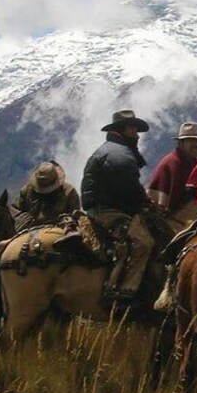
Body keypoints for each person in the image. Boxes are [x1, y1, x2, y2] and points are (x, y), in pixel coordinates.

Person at [81, 109, 155, 311]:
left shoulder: (112, 150)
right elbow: (128, 187)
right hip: (108, 210)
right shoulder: (120, 155)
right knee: (141, 243)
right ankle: (121, 293)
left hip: (101, 206)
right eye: (133, 129)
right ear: (124, 130)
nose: (137, 135)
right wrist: (144, 201)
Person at [147, 122, 197, 232]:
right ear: (181, 143)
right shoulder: (172, 163)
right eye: (191, 141)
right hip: (170, 222)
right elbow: (163, 204)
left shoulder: (195, 164)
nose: (196, 145)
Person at [12, 161, 81, 231]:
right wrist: (23, 219)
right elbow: (15, 210)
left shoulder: (69, 192)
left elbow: (76, 215)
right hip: (29, 231)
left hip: (60, 231)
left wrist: (67, 220)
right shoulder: (27, 191)